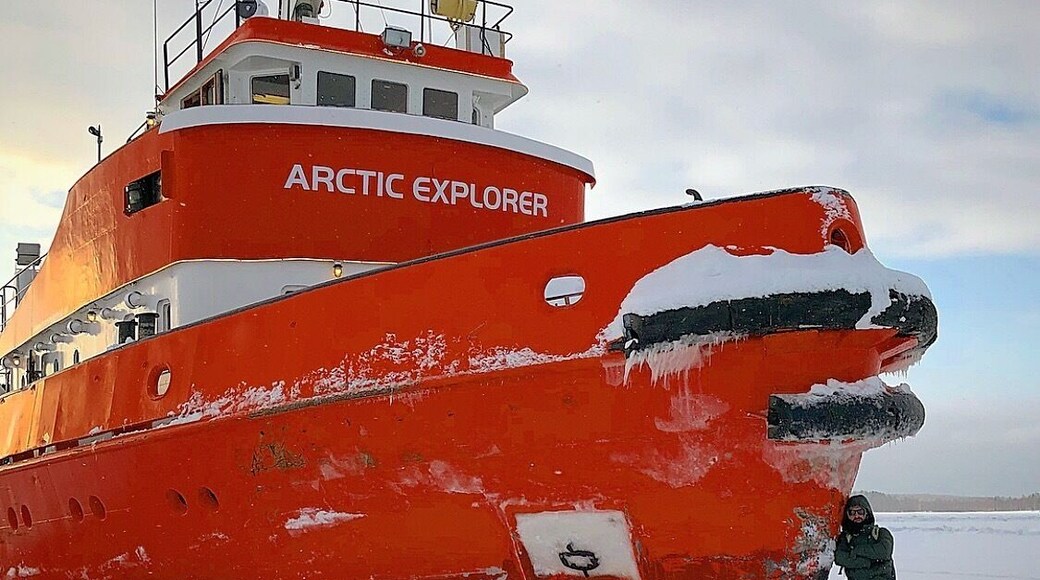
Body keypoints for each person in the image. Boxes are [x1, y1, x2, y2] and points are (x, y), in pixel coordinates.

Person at [833, 494, 896, 579]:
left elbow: (884, 552)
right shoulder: (846, 538)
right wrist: (867, 562)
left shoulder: (881, 533)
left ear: (867, 513)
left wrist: (856, 551)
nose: (856, 516)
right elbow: (839, 557)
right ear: (847, 515)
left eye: (860, 512)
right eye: (852, 512)